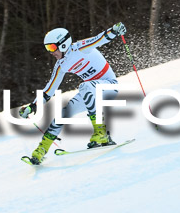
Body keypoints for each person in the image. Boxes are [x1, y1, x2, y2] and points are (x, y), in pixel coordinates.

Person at [19, 22, 127, 164]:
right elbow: (49, 89)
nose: (50, 52)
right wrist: (33, 106)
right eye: (47, 48)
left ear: (63, 44)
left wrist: (114, 30)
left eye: (51, 47)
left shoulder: (80, 48)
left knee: (84, 86)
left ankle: (101, 134)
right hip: (90, 92)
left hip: (109, 87)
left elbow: (100, 38)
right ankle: (40, 151)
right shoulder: (61, 65)